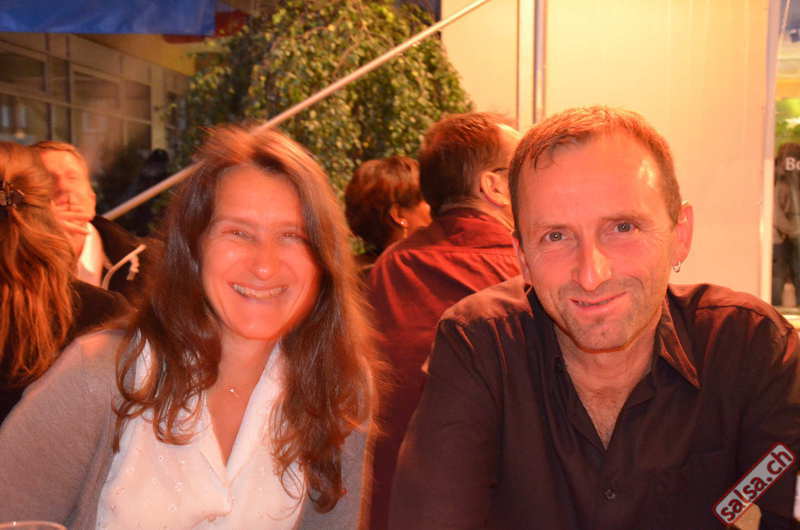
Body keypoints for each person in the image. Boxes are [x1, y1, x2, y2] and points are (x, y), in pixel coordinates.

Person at [390, 106, 800, 529]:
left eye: (623, 228)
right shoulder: (481, 345)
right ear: (523, 258)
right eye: (556, 236)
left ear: (680, 234)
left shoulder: (750, 346)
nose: (591, 275)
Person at [0, 126, 379, 528]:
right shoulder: (99, 374)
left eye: (293, 236)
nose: (265, 265)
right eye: (238, 232)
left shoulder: (339, 386)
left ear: (323, 258)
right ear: (193, 248)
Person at [367, 112, 522, 530]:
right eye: (522, 170)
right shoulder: (521, 270)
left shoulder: (390, 266)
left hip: (393, 507)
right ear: (494, 186)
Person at [0, 141, 128, 423]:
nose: (65, 191)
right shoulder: (102, 312)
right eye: (52, 180)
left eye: (72, 177)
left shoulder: (144, 264)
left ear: (92, 196)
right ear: (43, 207)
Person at [32, 141, 158, 304]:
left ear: (91, 197)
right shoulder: (11, 265)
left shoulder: (149, 262)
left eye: (72, 177)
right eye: (47, 179)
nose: (64, 187)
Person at [345, 155, 431, 271]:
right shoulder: (414, 273)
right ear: (398, 215)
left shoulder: (349, 274)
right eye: (428, 200)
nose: (437, 208)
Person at [772, 142, 800, 305]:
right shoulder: (780, 180)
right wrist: (793, 230)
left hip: (786, 236)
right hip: (781, 237)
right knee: (778, 275)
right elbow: (776, 213)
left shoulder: (785, 180)